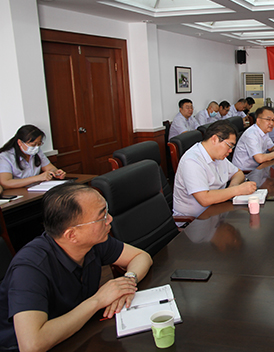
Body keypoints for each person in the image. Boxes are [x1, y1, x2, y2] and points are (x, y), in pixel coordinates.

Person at [0, 183, 153, 351]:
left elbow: (141, 256)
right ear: (72, 235)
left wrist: (128, 281)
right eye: (102, 216)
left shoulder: (93, 241)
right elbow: (31, 345)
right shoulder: (29, 268)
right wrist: (97, 300)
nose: (110, 219)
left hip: (78, 333)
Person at [172, 120, 257, 218]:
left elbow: (238, 173)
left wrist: (233, 186)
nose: (230, 151)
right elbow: (204, 199)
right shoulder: (192, 160)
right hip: (195, 220)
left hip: (217, 211)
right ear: (215, 139)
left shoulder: (218, 156)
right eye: (229, 145)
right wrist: (237, 190)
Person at [0, 125, 66, 190]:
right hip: (18, 192)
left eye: (39, 144)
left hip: (36, 190)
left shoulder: (37, 151)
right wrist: (37, 178)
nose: (36, 147)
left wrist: (57, 173)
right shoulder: (5, 157)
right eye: (33, 145)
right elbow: (6, 183)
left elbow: (50, 168)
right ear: (19, 142)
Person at [232, 107, 274, 171]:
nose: (271, 123)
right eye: (268, 119)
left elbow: (271, 148)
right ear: (258, 121)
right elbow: (260, 159)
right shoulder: (251, 134)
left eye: (273, 120)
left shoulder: (264, 131)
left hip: (259, 168)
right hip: (245, 172)